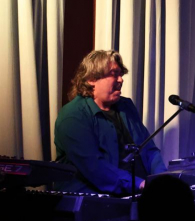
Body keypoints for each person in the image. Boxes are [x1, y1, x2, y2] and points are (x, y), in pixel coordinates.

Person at [54, 50, 166, 195]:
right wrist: (141, 184)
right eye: (114, 74)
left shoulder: (126, 106)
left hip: (138, 193)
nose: (121, 80)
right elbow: (94, 167)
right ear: (91, 79)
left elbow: (148, 149)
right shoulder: (73, 116)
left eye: (121, 74)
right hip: (93, 201)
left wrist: (162, 180)